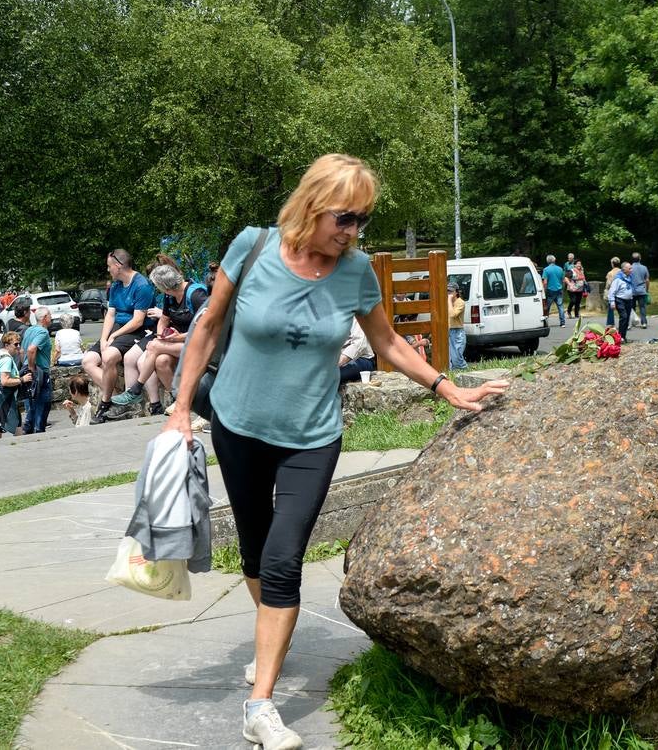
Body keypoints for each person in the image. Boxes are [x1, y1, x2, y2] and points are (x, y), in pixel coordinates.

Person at [163, 154, 508, 750]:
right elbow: (208, 326)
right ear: (311, 205)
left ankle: (261, 703)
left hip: (312, 435)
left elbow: (388, 342)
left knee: (282, 558)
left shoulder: (354, 273)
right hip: (239, 425)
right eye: (344, 218)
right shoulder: (253, 247)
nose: (353, 232)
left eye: (362, 221)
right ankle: (271, 638)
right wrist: (180, 408)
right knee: (252, 546)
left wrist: (446, 387)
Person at [82, 249, 154, 424]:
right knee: (88, 360)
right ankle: (115, 397)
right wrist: (105, 338)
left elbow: (138, 321)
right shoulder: (115, 286)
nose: (108, 270)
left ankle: (105, 404)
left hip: (135, 330)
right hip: (117, 329)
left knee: (108, 357)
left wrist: (114, 335)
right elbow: (110, 315)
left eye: (109, 266)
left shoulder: (141, 285)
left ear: (118, 266)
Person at [132, 266, 209, 416]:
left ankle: (137, 386)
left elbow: (206, 327)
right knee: (161, 361)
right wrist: (161, 334)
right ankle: (181, 401)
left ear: (165, 287)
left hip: (201, 345)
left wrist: (178, 337)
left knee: (153, 345)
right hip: (181, 343)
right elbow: (164, 319)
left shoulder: (196, 295)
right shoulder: (170, 296)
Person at [20, 306, 54, 434]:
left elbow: (22, 351)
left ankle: (29, 431)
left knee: (31, 403)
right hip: (40, 372)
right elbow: (31, 349)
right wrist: (31, 368)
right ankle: (38, 432)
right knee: (43, 403)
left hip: (28, 370)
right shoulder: (43, 332)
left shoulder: (29, 330)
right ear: (45, 318)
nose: (51, 317)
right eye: (50, 315)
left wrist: (25, 367)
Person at [0, 331, 24, 437]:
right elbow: (5, 381)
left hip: (2, 396)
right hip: (4, 396)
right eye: (15, 344)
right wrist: (22, 380)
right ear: (6, 345)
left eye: (19, 343)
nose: (18, 346)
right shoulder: (6, 360)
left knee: (15, 422)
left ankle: (22, 444)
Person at [338, 317, 376, 382]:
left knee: (328, 376)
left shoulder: (353, 315)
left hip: (361, 359)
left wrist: (338, 362)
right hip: (333, 361)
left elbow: (360, 343)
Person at [606, 261, 634, 339]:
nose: (632, 270)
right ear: (624, 269)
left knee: (627, 318)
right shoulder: (618, 279)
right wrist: (612, 302)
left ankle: (623, 336)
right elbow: (612, 291)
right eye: (630, 268)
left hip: (629, 300)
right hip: (620, 300)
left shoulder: (630, 277)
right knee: (624, 317)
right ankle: (620, 336)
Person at [446, 281, 467, 370]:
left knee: (457, 359)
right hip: (448, 331)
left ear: (456, 292)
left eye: (450, 291)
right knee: (449, 359)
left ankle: (465, 372)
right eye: (447, 291)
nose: (448, 293)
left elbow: (452, 314)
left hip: (457, 332)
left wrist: (449, 300)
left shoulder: (460, 302)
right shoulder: (447, 302)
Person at [540, 254, 566, 326]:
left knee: (547, 306)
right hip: (559, 289)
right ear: (554, 260)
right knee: (560, 306)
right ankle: (562, 323)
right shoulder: (560, 269)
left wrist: (544, 291)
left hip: (550, 290)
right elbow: (563, 281)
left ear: (547, 261)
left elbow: (545, 282)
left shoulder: (546, 270)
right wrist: (562, 289)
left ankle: (546, 322)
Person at [628, 252, 650, 328]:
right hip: (641, 290)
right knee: (642, 307)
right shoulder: (644, 268)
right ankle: (644, 322)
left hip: (632, 291)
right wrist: (647, 290)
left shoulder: (629, 268)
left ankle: (630, 323)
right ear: (640, 258)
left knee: (631, 308)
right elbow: (647, 280)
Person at [604, 256, 621, 327]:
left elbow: (608, 284)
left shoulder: (610, 273)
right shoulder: (622, 272)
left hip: (612, 292)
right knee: (621, 308)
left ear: (612, 264)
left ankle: (611, 323)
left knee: (611, 308)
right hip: (620, 292)